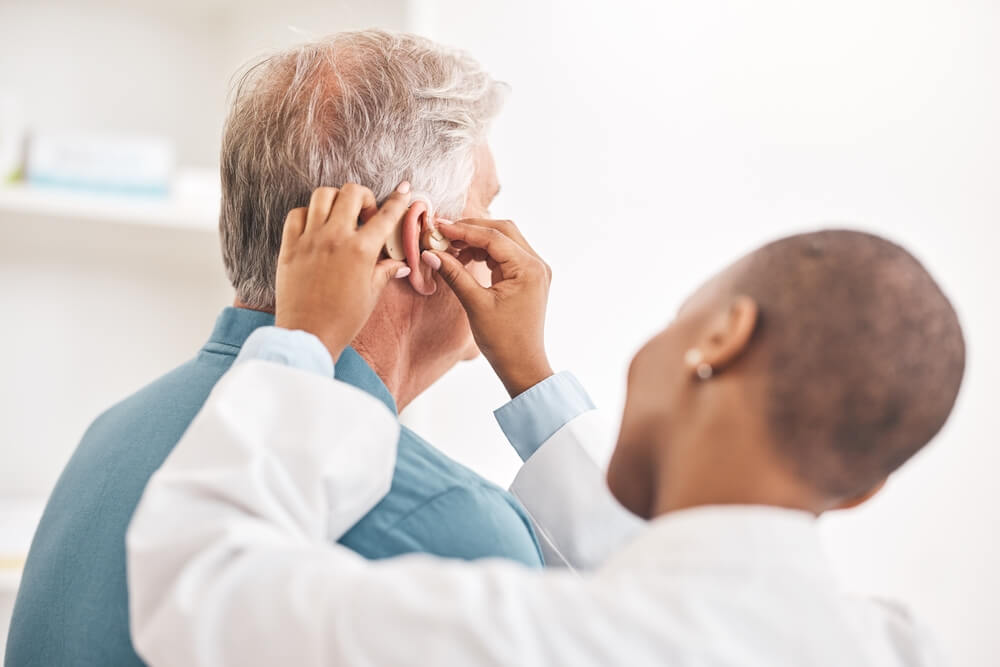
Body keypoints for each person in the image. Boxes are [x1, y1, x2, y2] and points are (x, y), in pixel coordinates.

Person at [127, 186, 964, 666]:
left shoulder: (514, 632)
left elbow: (199, 586)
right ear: (864, 489)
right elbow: (686, 577)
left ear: (720, 337)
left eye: (678, 317)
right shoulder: (905, 648)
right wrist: (528, 373)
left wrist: (304, 340)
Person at [7, 31, 636, 667]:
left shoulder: (111, 437)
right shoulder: (450, 524)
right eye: (489, 204)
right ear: (421, 242)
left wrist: (534, 380)